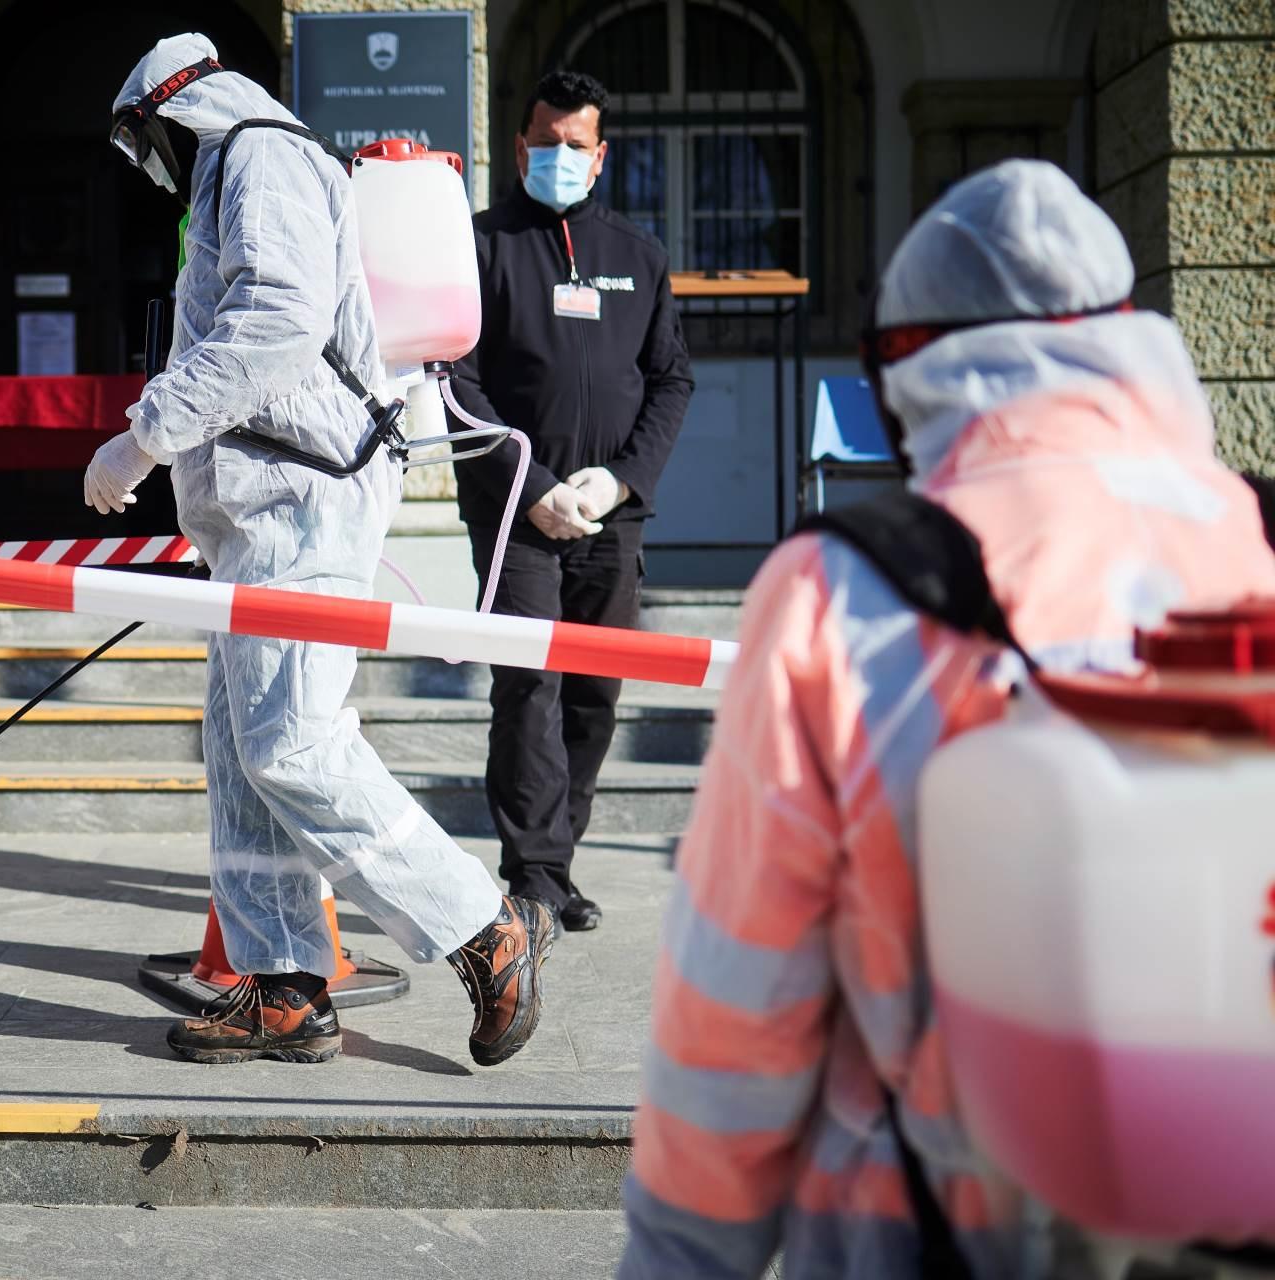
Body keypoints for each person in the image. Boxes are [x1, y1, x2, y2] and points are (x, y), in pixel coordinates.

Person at [620, 159, 1275, 1279]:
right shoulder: (1256, 533)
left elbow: (739, 999)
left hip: (927, 1238)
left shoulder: (848, 588)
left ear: (911, 367)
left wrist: (683, 1253)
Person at [86, 34, 556, 1069]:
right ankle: (286, 987)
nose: (149, 165)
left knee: (293, 744)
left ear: (172, 111)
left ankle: (488, 925)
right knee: (245, 760)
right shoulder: (235, 167)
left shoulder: (257, 152)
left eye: (144, 142)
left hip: (302, 500)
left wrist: (146, 433)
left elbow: (279, 322)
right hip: (261, 514)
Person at [448, 69, 693, 936]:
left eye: (574, 144)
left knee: (593, 692)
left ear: (601, 154)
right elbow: (456, 383)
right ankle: (536, 873)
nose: (559, 156)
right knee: (529, 685)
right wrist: (534, 483)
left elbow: (671, 381)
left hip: (610, 515)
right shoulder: (480, 246)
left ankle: (559, 859)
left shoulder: (639, 254)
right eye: (544, 143)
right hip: (517, 510)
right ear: (520, 148)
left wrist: (622, 478)